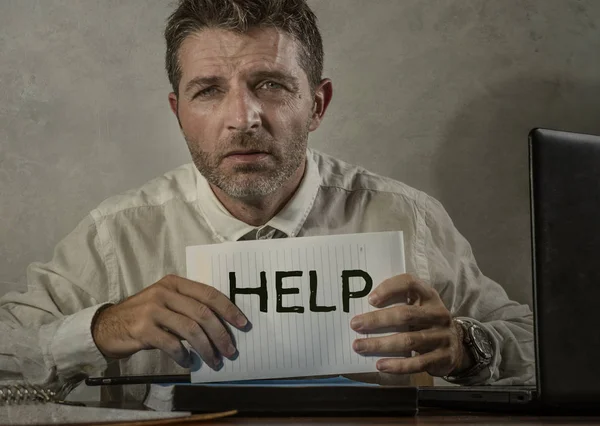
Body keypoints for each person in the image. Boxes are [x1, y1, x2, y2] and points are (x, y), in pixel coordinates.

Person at [0, 0, 533, 402]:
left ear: (317, 104)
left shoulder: (406, 217)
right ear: (178, 111)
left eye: (271, 84)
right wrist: (102, 328)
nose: (244, 117)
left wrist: (468, 347)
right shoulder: (115, 236)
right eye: (208, 90)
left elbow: (544, 348)